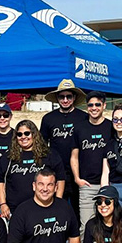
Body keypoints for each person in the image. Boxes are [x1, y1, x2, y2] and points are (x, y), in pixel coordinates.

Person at [0, 120, 66, 217]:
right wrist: (3, 204)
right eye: (19, 134)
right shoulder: (8, 157)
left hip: (44, 208)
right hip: (15, 210)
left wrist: (58, 202)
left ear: (34, 134)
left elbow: (60, 178)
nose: (23, 137)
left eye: (27, 133)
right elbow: (0, 181)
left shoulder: (49, 154)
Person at [40, 79, 88, 219]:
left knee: (78, 212)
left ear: (74, 98)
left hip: (79, 172)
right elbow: (42, 145)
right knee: (55, 209)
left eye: (69, 96)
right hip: (55, 171)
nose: (65, 100)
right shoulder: (48, 119)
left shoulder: (83, 117)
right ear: (57, 98)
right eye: (62, 96)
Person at [70, 91, 113, 232]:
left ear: (104, 106)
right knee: (86, 227)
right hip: (87, 186)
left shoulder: (111, 127)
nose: (94, 108)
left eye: (97, 104)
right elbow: (74, 156)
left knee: (109, 225)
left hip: (108, 184)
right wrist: (77, 178)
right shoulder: (79, 128)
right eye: (90, 105)